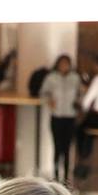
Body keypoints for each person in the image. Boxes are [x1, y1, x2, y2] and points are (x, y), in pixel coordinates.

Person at [40, 53, 80, 184]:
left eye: (66, 64)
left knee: (67, 148)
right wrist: (49, 100)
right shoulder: (51, 78)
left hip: (70, 116)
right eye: (61, 64)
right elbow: (43, 92)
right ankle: (56, 177)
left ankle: (67, 179)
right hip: (56, 116)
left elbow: (81, 94)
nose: (64, 66)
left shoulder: (75, 78)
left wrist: (79, 103)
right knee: (57, 147)